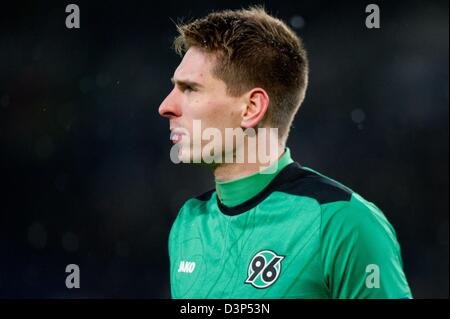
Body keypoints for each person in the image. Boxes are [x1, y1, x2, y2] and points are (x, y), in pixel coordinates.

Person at [158, 6, 412, 299]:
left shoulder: (342, 221)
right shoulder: (188, 223)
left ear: (251, 108)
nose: (166, 106)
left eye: (190, 89)